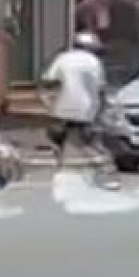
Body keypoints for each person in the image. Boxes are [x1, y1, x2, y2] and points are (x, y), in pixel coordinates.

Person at [40, 31, 114, 184]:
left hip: (61, 108)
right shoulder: (94, 62)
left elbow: (49, 81)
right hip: (87, 110)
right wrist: (103, 107)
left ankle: (60, 165)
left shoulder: (63, 58)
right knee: (91, 142)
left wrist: (47, 102)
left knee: (57, 138)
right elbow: (101, 87)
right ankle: (102, 171)